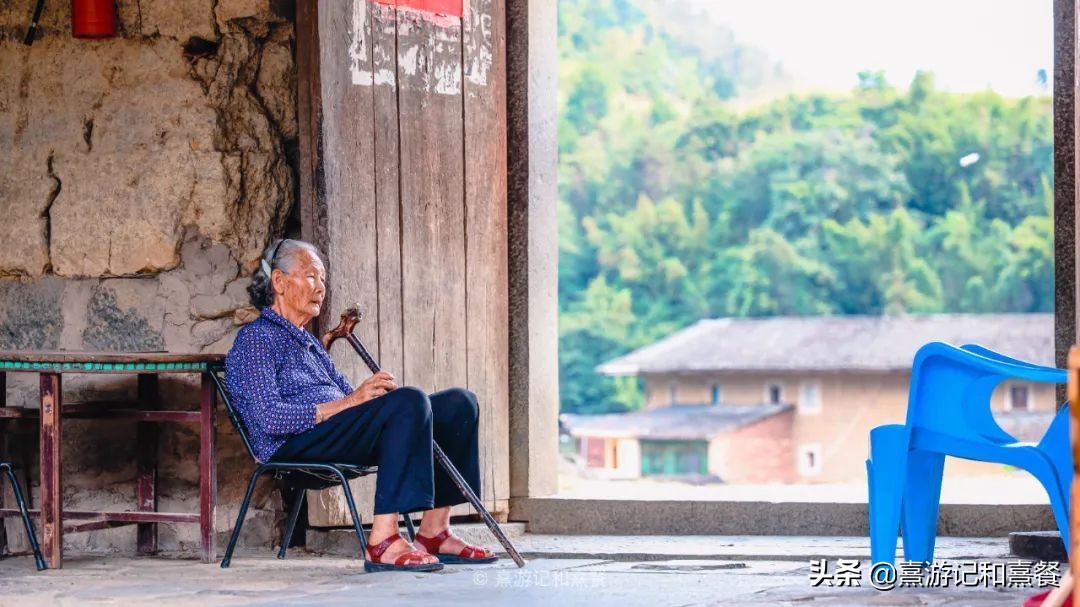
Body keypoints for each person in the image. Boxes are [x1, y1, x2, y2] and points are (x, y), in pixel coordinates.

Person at [225, 238, 497, 572]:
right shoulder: (256, 339)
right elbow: (268, 418)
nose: (320, 288)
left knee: (458, 404)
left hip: (332, 433)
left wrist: (374, 400)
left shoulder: (308, 343)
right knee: (408, 401)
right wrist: (354, 402)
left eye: (323, 279)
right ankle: (383, 542)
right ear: (279, 282)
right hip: (294, 445)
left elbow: (350, 400)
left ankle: (434, 532)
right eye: (311, 276)